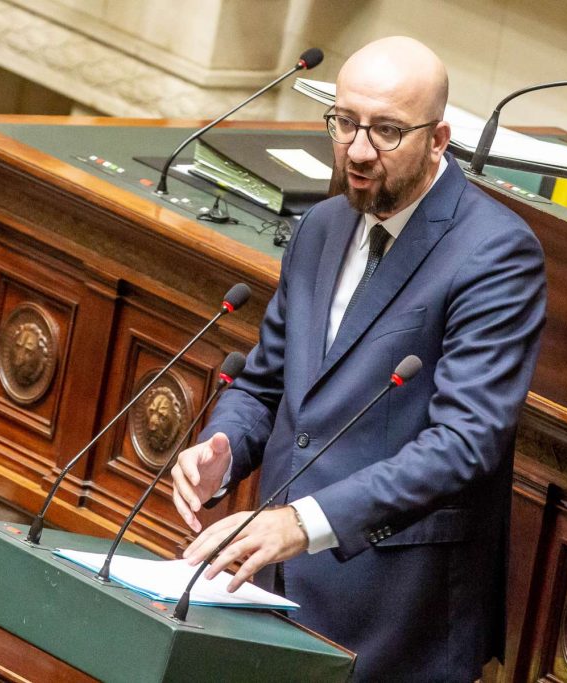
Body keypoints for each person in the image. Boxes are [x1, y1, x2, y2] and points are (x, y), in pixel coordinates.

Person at [171, 36, 546, 682]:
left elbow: (464, 443)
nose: (359, 150)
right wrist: (224, 448)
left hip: (399, 624)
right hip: (271, 592)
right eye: (345, 123)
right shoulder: (322, 226)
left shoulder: (496, 256)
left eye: (388, 131)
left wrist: (304, 521)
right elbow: (268, 384)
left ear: (439, 138)